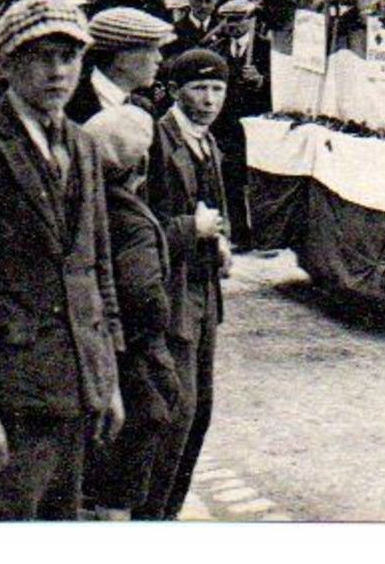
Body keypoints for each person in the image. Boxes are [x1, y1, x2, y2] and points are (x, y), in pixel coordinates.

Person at [0, 0, 124, 520]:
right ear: (8, 63)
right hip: (11, 398)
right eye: (41, 56)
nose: (58, 72)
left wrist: (108, 379)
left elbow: (97, 269)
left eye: (69, 57)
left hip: (75, 390)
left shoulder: (81, 146)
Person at [141, 48, 232, 520]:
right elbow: (139, 225)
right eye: (199, 88)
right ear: (176, 92)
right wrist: (190, 231)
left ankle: (169, 512)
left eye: (217, 89)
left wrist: (222, 243)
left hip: (203, 292)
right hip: (172, 294)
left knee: (201, 411)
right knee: (175, 410)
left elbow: (215, 210)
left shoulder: (208, 142)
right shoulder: (157, 142)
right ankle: (149, 515)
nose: (210, 99)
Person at [80, 104, 181, 520]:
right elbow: (144, 298)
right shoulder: (132, 220)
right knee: (120, 486)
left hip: (101, 359)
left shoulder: (88, 206)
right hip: (136, 365)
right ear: (140, 162)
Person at [203, 0, 271, 251]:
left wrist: (262, 81)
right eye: (227, 20)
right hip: (227, 126)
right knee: (231, 180)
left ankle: (263, 235)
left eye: (237, 20)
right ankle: (241, 235)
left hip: (256, 125)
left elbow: (282, 89)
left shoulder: (266, 49)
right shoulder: (218, 49)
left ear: (252, 20)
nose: (231, 25)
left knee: (257, 182)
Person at [65, 7, 175, 124]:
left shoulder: (143, 108)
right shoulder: (69, 105)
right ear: (122, 58)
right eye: (151, 50)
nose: (159, 58)